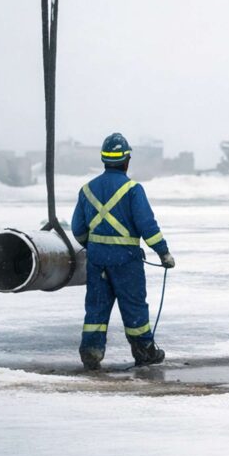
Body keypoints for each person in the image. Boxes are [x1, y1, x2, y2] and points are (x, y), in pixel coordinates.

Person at [71, 132, 176, 370]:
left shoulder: (86, 190)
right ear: (127, 160)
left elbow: (78, 229)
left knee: (96, 306)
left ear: (104, 159)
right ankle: (143, 352)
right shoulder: (132, 189)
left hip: (97, 261)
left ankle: (91, 352)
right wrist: (163, 253)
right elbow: (147, 226)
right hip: (126, 261)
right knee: (134, 306)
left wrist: (96, 246)